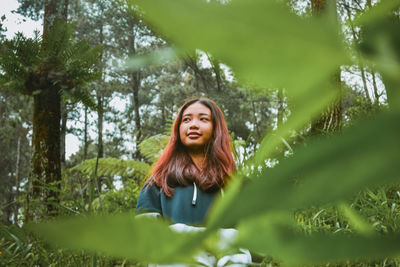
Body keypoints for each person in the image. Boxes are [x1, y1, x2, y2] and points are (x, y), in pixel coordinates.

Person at [136, 97, 235, 225]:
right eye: (186, 119)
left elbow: (252, 236)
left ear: (216, 128)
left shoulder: (236, 185)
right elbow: (145, 234)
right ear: (178, 128)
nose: (193, 125)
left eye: (203, 119)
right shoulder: (158, 183)